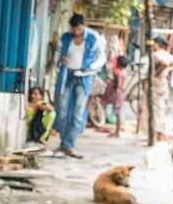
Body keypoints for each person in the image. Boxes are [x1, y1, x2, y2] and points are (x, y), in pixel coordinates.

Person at [53, 14, 106, 158]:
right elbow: (57, 53)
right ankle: (64, 144)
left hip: (84, 77)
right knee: (62, 111)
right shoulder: (65, 38)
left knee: (78, 112)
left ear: (83, 25)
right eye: (73, 29)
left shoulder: (93, 38)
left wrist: (89, 68)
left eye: (78, 28)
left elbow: (101, 57)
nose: (76, 31)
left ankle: (69, 145)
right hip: (66, 75)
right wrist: (60, 60)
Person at [150, 37, 173, 143]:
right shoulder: (166, 54)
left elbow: (164, 63)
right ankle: (159, 133)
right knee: (161, 108)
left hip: (157, 82)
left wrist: (158, 73)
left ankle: (157, 133)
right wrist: (167, 70)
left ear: (157, 44)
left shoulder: (157, 54)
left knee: (156, 108)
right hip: (163, 83)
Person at [100, 55, 130, 138]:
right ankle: (117, 131)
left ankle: (117, 132)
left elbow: (116, 84)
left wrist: (112, 84)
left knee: (116, 111)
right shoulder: (124, 72)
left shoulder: (117, 72)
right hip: (121, 92)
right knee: (117, 112)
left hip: (116, 92)